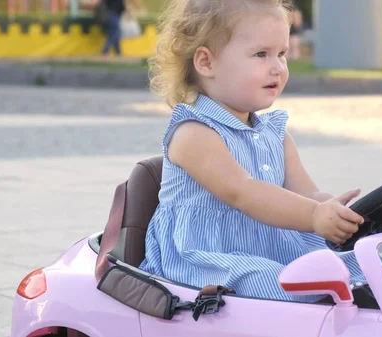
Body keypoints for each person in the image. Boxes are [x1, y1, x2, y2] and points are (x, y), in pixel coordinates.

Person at [139, 0, 366, 302]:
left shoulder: (275, 133)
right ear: (206, 62)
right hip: (207, 259)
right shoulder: (193, 133)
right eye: (261, 54)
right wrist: (313, 216)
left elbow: (308, 194)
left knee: (361, 265)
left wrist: (338, 211)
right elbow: (243, 192)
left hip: (271, 247)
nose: (278, 67)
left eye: (282, 54)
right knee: (283, 282)